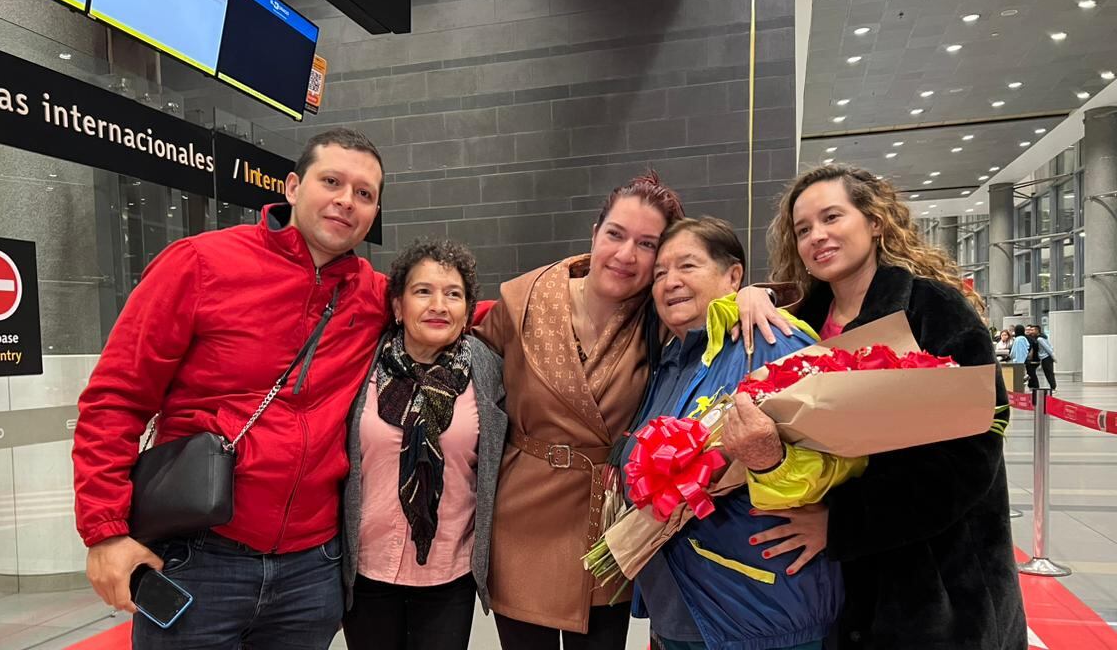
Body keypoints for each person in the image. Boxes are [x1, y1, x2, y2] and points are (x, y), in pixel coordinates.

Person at [72, 127, 388, 650]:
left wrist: (567, 288)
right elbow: (116, 399)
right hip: (200, 560)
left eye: (364, 194)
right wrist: (105, 531)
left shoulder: (372, 295)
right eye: (331, 181)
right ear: (292, 186)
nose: (345, 201)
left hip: (313, 572)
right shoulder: (199, 264)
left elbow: (456, 316)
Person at [730, 163, 1026, 649]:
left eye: (831, 218)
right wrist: (749, 295)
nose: (816, 237)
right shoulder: (800, 324)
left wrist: (843, 523)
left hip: (936, 580)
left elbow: (973, 454)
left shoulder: (933, 308)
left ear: (874, 222)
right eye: (802, 230)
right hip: (836, 584)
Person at [619, 217, 860, 650]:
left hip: (761, 613)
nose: (670, 282)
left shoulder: (768, 341)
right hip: (685, 609)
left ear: (733, 275)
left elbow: (844, 455)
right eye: (659, 273)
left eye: (687, 266)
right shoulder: (672, 362)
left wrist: (779, 469)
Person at [473, 171, 684, 649]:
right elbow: (474, 385)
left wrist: (755, 297)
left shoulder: (663, 316)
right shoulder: (520, 299)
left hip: (605, 520)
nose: (626, 255)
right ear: (595, 232)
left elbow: (721, 305)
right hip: (523, 514)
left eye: (647, 244)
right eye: (615, 234)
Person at [341, 238, 507, 650]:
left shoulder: (489, 371)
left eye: (453, 294)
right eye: (423, 292)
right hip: (368, 568)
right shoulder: (364, 365)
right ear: (397, 307)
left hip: (449, 570)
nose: (438, 305)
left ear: (467, 311)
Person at [1026, 325, 1057, 391]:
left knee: (1049, 373)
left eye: (1032, 330)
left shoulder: (1039, 339)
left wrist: (1053, 356)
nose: (1031, 332)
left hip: (1046, 357)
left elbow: (1048, 348)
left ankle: (1053, 387)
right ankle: (1053, 387)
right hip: (1044, 357)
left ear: (1037, 330)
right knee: (1048, 373)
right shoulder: (1041, 337)